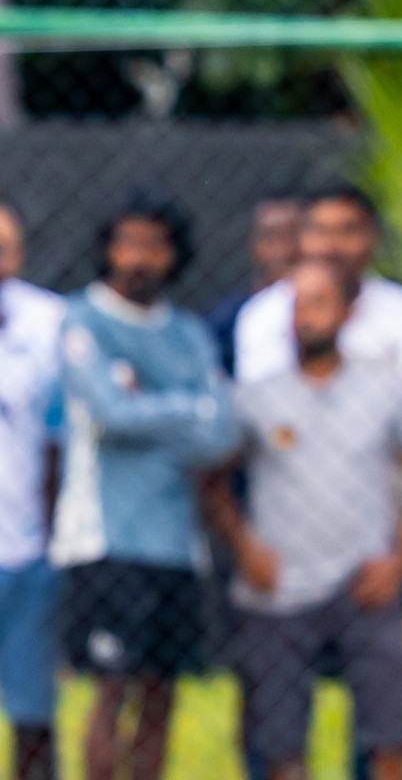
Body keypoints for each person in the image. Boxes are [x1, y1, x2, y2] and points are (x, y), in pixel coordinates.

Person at [208, 260, 402, 780]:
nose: (305, 317)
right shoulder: (256, 396)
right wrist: (245, 548)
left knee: (393, 747)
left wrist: (399, 561)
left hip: (364, 588)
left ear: (348, 313)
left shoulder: (387, 390)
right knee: (283, 754)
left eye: (318, 303)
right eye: (296, 306)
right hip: (280, 593)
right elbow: (213, 484)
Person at [51, 192, 237, 780]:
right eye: (127, 244)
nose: (139, 258)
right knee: (111, 693)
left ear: (174, 254)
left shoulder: (189, 334)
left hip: (177, 546)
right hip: (106, 541)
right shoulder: (83, 320)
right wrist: (187, 408)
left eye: (153, 246)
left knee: (161, 696)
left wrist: (149, 405)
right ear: (107, 250)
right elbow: (111, 414)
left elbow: (223, 433)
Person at [234, 183, 402, 402]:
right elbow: (263, 402)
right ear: (300, 238)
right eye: (320, 231)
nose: (331, 246)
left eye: (347, 230)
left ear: (373, 236)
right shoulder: (263, 313)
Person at [0, 199, 64, 780]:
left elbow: (60, 442)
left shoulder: (50, 322)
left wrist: (52, 539)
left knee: (33, 715)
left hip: (25, 551)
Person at [205, 197, 302, 374]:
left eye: (292, 235)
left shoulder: (328, 312)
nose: (283, 249)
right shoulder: (226, 319)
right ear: (254, 245)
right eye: (270, 236)